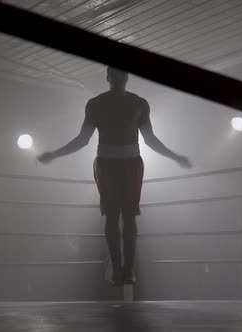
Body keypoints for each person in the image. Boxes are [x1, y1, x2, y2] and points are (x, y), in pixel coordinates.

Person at [38, 66, 191, 286]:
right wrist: (54, 154)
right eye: (115, 74)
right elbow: (83, 139)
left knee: (126, 217)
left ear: (126, 76)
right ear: (109, 77)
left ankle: (126, 270)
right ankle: (120, 270)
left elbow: (150, 139)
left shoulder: (137, 104)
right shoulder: (99, 104)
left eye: (122, 73)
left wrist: (175, 156)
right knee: (115, 216)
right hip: (110, 164)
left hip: (126, 163)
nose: (119, 77)